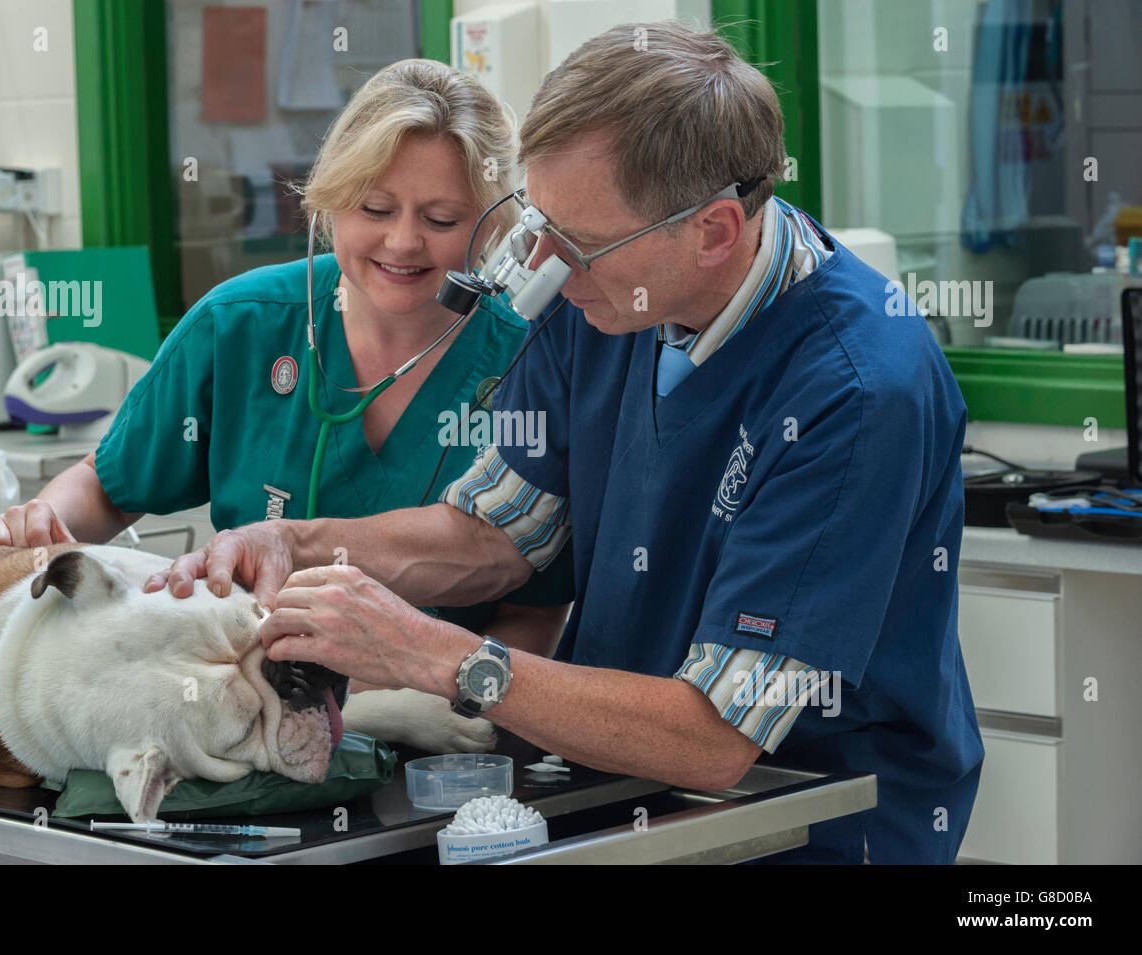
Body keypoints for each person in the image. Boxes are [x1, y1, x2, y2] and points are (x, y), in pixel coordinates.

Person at [145, 23, 984, 865]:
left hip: (810, 818)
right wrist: (296, 541)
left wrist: (436, 653)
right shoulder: (598, 295)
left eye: (577, 242)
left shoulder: (855, 390)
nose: (541, 264)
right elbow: (500, 534)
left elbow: (717, 736)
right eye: (537, 221)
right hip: (624, 789)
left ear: (716, 231)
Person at [0, 59, 574, 659]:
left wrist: (456, 714)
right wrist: (44, 523)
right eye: (374, 209)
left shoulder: (534, 354)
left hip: (435, 732)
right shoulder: (242, 325)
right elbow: (109, 485)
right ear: (330, 201)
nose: (403, 241)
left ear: (495, 224)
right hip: (247, 699)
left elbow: (535, 605)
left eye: (441, 219)